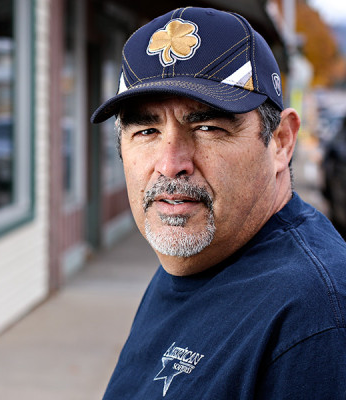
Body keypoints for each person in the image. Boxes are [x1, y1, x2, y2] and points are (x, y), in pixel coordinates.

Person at [91, 6, 346, 399]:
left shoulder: (314, 319)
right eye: (146, 130)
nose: (170, 164)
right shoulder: (195, 260)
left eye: (207, 127)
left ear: (281, 142)